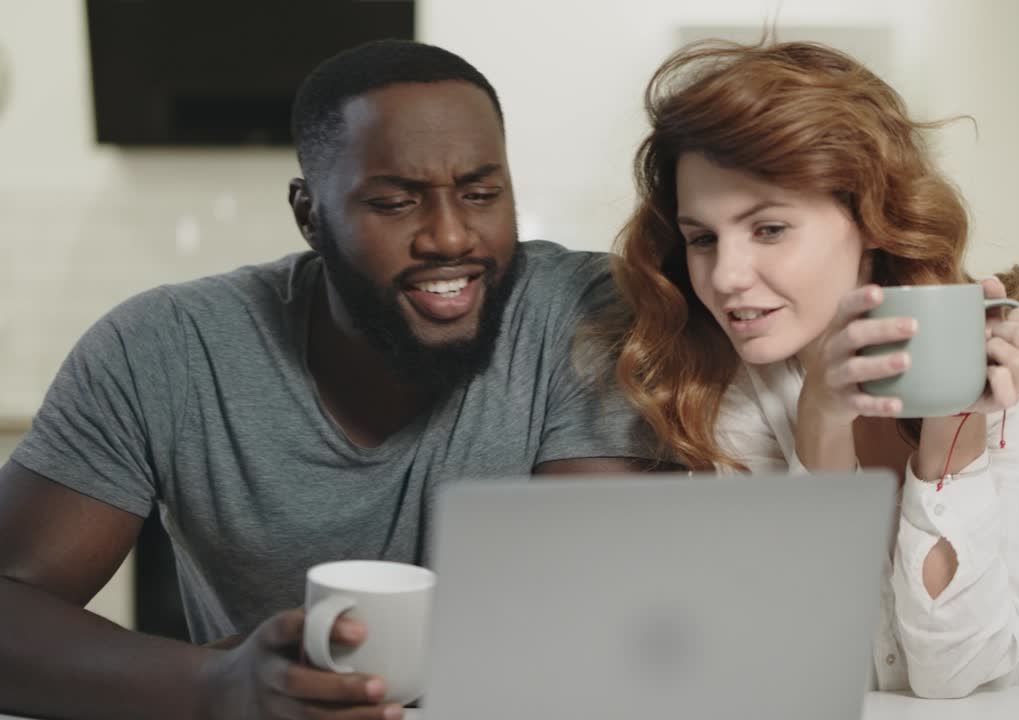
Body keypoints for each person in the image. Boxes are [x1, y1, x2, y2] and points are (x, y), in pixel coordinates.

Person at [0, 40, 659, 720]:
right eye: (396, 202)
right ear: (308, 213)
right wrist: (213, 685)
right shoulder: (163, 349)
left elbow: (585, 610)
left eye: (481, 194)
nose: (451, 236)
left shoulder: (585, 314)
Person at [610, 40, 1019, 698]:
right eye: (702, 238)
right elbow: (804, 658)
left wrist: (955, 423)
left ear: (869, 216)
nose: (725, 278)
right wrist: (822, 429)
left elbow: (958, 676)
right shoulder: (722, 379)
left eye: (770, 229)